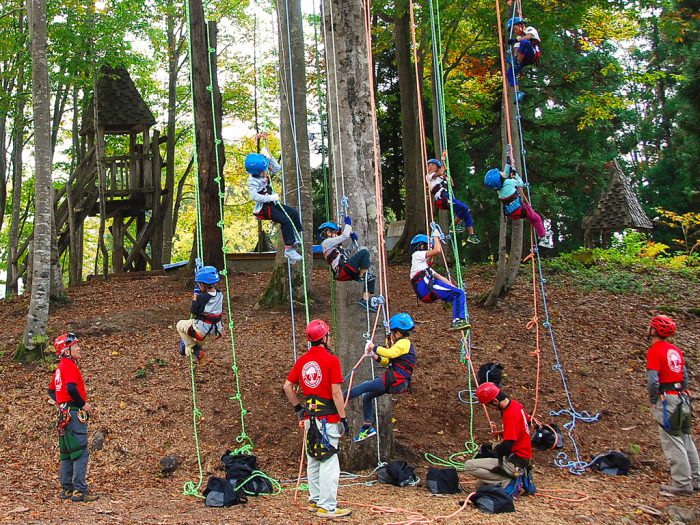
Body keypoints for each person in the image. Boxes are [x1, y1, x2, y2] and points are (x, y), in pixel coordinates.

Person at [284, 320, 352, 518]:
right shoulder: (331, 361)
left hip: (309, 418)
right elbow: (336, 393)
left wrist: (298, 408)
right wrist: (343, 418)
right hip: (327, 419)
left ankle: (314, 500)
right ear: (323, 338)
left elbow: (288, 386)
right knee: (329, 461)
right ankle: (328, 506)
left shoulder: (303, 361)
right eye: (328, 335)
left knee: (313, 458)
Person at [646, 315, 699, 496]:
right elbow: (684, 376)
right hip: (683, 397)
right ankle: (695, 478)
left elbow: (653, 380)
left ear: (654, 331)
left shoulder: (654, 351)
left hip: (667, 398)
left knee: (672, 440)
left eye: (650, 327)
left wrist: (653, 400)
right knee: (685, 437)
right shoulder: (675, 350)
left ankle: (682, 483)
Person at [346, 313, 417, 442]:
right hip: (396, 381)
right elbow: (387, 361)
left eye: (392, 333)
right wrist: (373, 355)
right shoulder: (402, 346)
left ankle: (340, 398)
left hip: (396, 380)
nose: (391, 336)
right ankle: (367, 427)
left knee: (364, 387)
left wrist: (374, 347)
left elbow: (390, 353)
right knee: (367, 396)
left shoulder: (404, 343)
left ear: (398, 334)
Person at [48, 333, 99, 502]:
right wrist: (82, 404)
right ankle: (80, 490)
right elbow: (71, 387)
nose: (79, 348)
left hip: (64, 414)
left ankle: (67, 489)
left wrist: (61, 404)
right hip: (74, 413)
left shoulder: (59, 368)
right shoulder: (69, 365)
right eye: (76, 346)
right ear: (66, 350)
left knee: (67, 452)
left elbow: (51, 390)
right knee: (80, 450)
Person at [464, 382, 533, 488]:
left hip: (514, 461)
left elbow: (507, 445)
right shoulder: (516, 405)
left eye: (488, 405)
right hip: (523, 459)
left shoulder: (509, 414)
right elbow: (526, 424)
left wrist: (494, 451)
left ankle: (508, 481)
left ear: (495, 401)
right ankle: (510, 478)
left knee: (469, 466)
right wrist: (503, 433)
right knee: (480, 486)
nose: (490, 408)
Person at [245, 146, 303, 263]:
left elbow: (277, 168)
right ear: (257, 172)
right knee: (285, 220)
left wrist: (269, 157)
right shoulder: (253, 181)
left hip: (273, 203)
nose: (266, 172)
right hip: (263, 208)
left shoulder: (264, 173)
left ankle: (295, 236)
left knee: (294, 213)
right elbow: (254, 196)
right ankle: (288, 249)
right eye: (263, 171)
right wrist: (270, 197)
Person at [409, 230, 470, 331]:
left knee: (458, 293)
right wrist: (436, 236)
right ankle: (458, 320)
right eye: (429, 249)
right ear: (422, 247)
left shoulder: (425, 268)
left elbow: (443, 278)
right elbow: (437, 250)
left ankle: (449, 300)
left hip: (427, 291)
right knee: (458, 294)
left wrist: (454, 288)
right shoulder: (416, 255)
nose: (430, 256)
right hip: (426, 289)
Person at [484, 164, 553, 248]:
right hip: (520, 209)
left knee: (532, 217)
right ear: (500, 178)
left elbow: (505, 174)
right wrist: (516, 174)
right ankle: (543, 239)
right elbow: (521, 183)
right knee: (536, 219)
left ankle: (541, 231)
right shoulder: (509, 182)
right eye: (500, 172)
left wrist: (508, 163)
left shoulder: (498, 188)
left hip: (511, 212)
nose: (502, 172)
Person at [318, 216, 377, 312]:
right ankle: (361, 276)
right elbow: (344, 236)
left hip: (344, 272)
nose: (337, 235)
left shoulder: (334, 248)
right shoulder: (326, 243)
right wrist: (348, 224)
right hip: (343, 269)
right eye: (335, 233)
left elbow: (348, 252)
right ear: (328, 233)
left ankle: (365, 300)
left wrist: (353, 241)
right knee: (364, 252)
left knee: (371, 277)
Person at [426, 158, 480, 244]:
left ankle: (471, 235)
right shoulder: (429, 176)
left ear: (437, 167)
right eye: (429, 166)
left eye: (432, 165)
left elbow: (451, 184)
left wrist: (446, 172)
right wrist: (443, 161)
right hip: (443, 198)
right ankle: (452, 226)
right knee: (464, 207)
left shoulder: (441, 177)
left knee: (466, 211)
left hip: (448, 198)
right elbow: (440, 172)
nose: (430, 167)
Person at [176, 265, 223, 362]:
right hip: (216, 332)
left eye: (199, 284)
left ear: (203, 285)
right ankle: (191, 352)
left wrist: (195, 297)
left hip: (202, 331)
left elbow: (194, 310)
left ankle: (195, 350)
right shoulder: (220, 294)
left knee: (180, 325)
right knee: (192, 346)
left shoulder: (202, 298)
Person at [505, 17, 541, 89]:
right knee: (509, 73)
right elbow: (516, 49)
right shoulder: (519, 37)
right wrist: (515, 55)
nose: (515, 31)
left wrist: (515, 40)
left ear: (520, 25)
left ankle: (517, 62)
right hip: (524, 59)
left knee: (524, 42)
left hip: (532, 53)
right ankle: (517, 91)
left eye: (515, 29)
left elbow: (528, 37)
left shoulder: (530, 29)